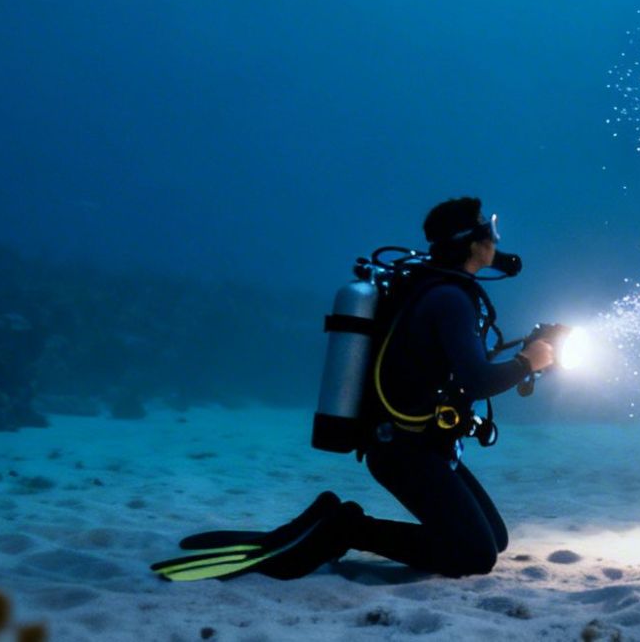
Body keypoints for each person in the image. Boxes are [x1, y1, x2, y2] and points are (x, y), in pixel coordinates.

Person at [151, 197, 555, 581]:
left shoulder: (437, 286)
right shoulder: (451, 297)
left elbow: (459, 366)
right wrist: (527, 363)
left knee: (494, 540)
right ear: (471, 241)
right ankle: (345, 529)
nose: (497, 238)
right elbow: (478, 379)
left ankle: (331, 517)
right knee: (475, 555)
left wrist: (527, 354)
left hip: (423, 444)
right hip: (404, 450)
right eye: (491, 228)